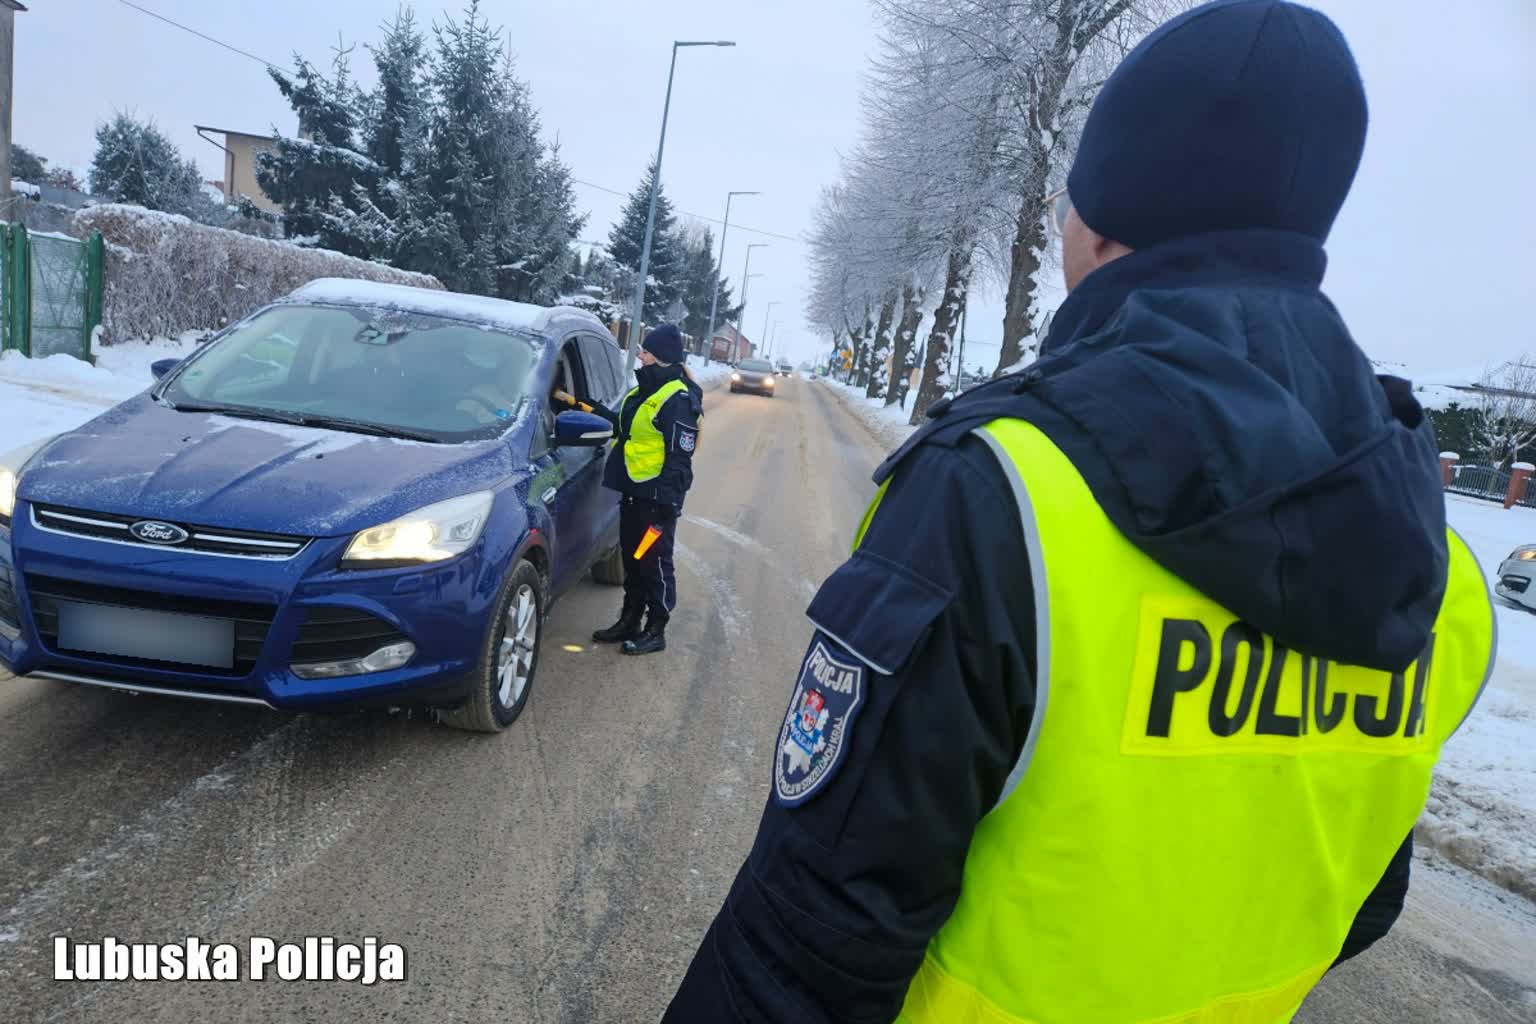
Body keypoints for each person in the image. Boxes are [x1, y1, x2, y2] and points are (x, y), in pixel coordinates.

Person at [662, 2, 1496, 1022]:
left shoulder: (998, 491)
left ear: (1099, 227)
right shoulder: (1439, 569)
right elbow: (1364, 902)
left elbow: (814, 933)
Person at [557, 323, 701, 656]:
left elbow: (680, 458)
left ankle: (656, 628)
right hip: (634, 494)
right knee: (633, 561)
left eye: (646, 351)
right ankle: (630, 619)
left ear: (661, 357)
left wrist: (668, 503)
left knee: (654, 562)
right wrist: (577, 403)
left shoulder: (677, 398)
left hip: (656, 502)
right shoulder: (643, 392)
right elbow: (620, 425)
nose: (640, 355)